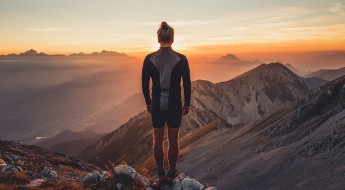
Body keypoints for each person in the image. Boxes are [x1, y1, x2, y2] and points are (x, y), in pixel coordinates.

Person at [141, 21, 191, 180]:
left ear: (158, 38)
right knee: (173, 140)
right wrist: (187, 103)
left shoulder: (149, 59)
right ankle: (172, 172)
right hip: (175, 103)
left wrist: (148, 102)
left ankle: (161, 172)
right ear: (173, 38)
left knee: (157, 140)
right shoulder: (181, 59)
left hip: (156, 103)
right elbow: (187, 83)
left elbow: (144, 83)